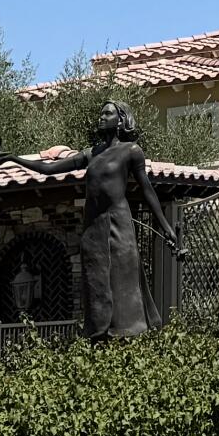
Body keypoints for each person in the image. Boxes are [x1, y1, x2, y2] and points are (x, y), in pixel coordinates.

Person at [78, 101, 181, 339]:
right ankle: (98, 337)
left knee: (124, 281)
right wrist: (13, 159)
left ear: (121, 119)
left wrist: (165, 226)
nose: (101, 117)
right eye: (100, 112)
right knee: (95, 283)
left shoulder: (131, 151)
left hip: (119, 223)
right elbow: (50, 168)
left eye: (107, 113)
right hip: (93, 228)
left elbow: (147, 191)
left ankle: (129, 337)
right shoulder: (91, 154)